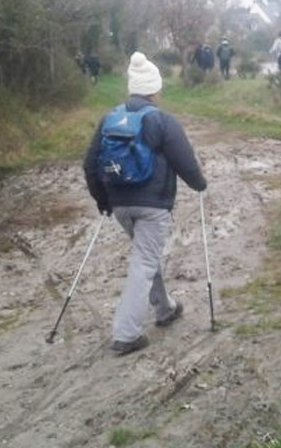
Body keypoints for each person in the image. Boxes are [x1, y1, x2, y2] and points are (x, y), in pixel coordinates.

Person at [83, 52, 208, 355]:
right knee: (143, 262)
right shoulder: (162, 120)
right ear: (155, 89)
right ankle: (126, 335)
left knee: (146, 256)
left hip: (120, 204)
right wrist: (199, 185)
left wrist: (103, 200)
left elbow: (90, 164)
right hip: (153, 206)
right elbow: (186, 162)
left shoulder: (111, 117)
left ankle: (164, 308)